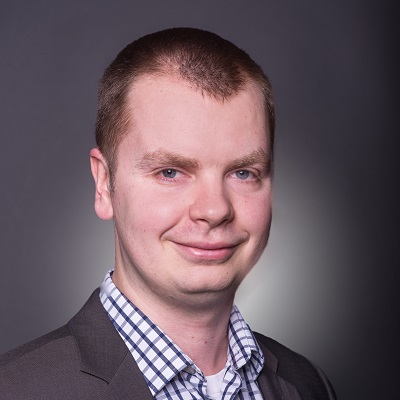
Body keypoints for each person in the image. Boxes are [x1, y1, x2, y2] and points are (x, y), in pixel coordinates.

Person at [0, 27, 336, 399]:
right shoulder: (15, 390)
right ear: (104, 184)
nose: (214, 210)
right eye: (171, 172)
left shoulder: (309, 385)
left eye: (243, 173)